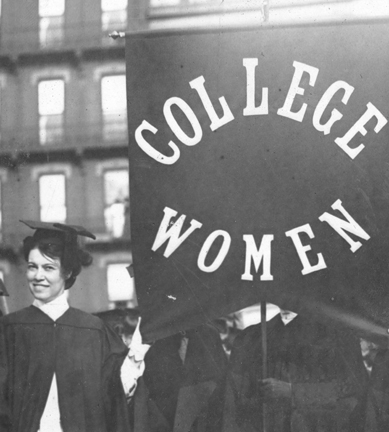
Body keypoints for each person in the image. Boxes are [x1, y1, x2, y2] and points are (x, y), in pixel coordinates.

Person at [0, 220, 149, 432]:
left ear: (68, 272)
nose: (38, 276)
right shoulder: (9, 329)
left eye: (49, 267)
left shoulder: (93, 330)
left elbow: (114, 397)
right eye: (33, 266)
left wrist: (135, 356)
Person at [222, 307, 366, 432]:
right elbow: (234, 404)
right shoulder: (251, 337)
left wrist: (293, 392)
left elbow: (354, 393)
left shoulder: (338, 335)